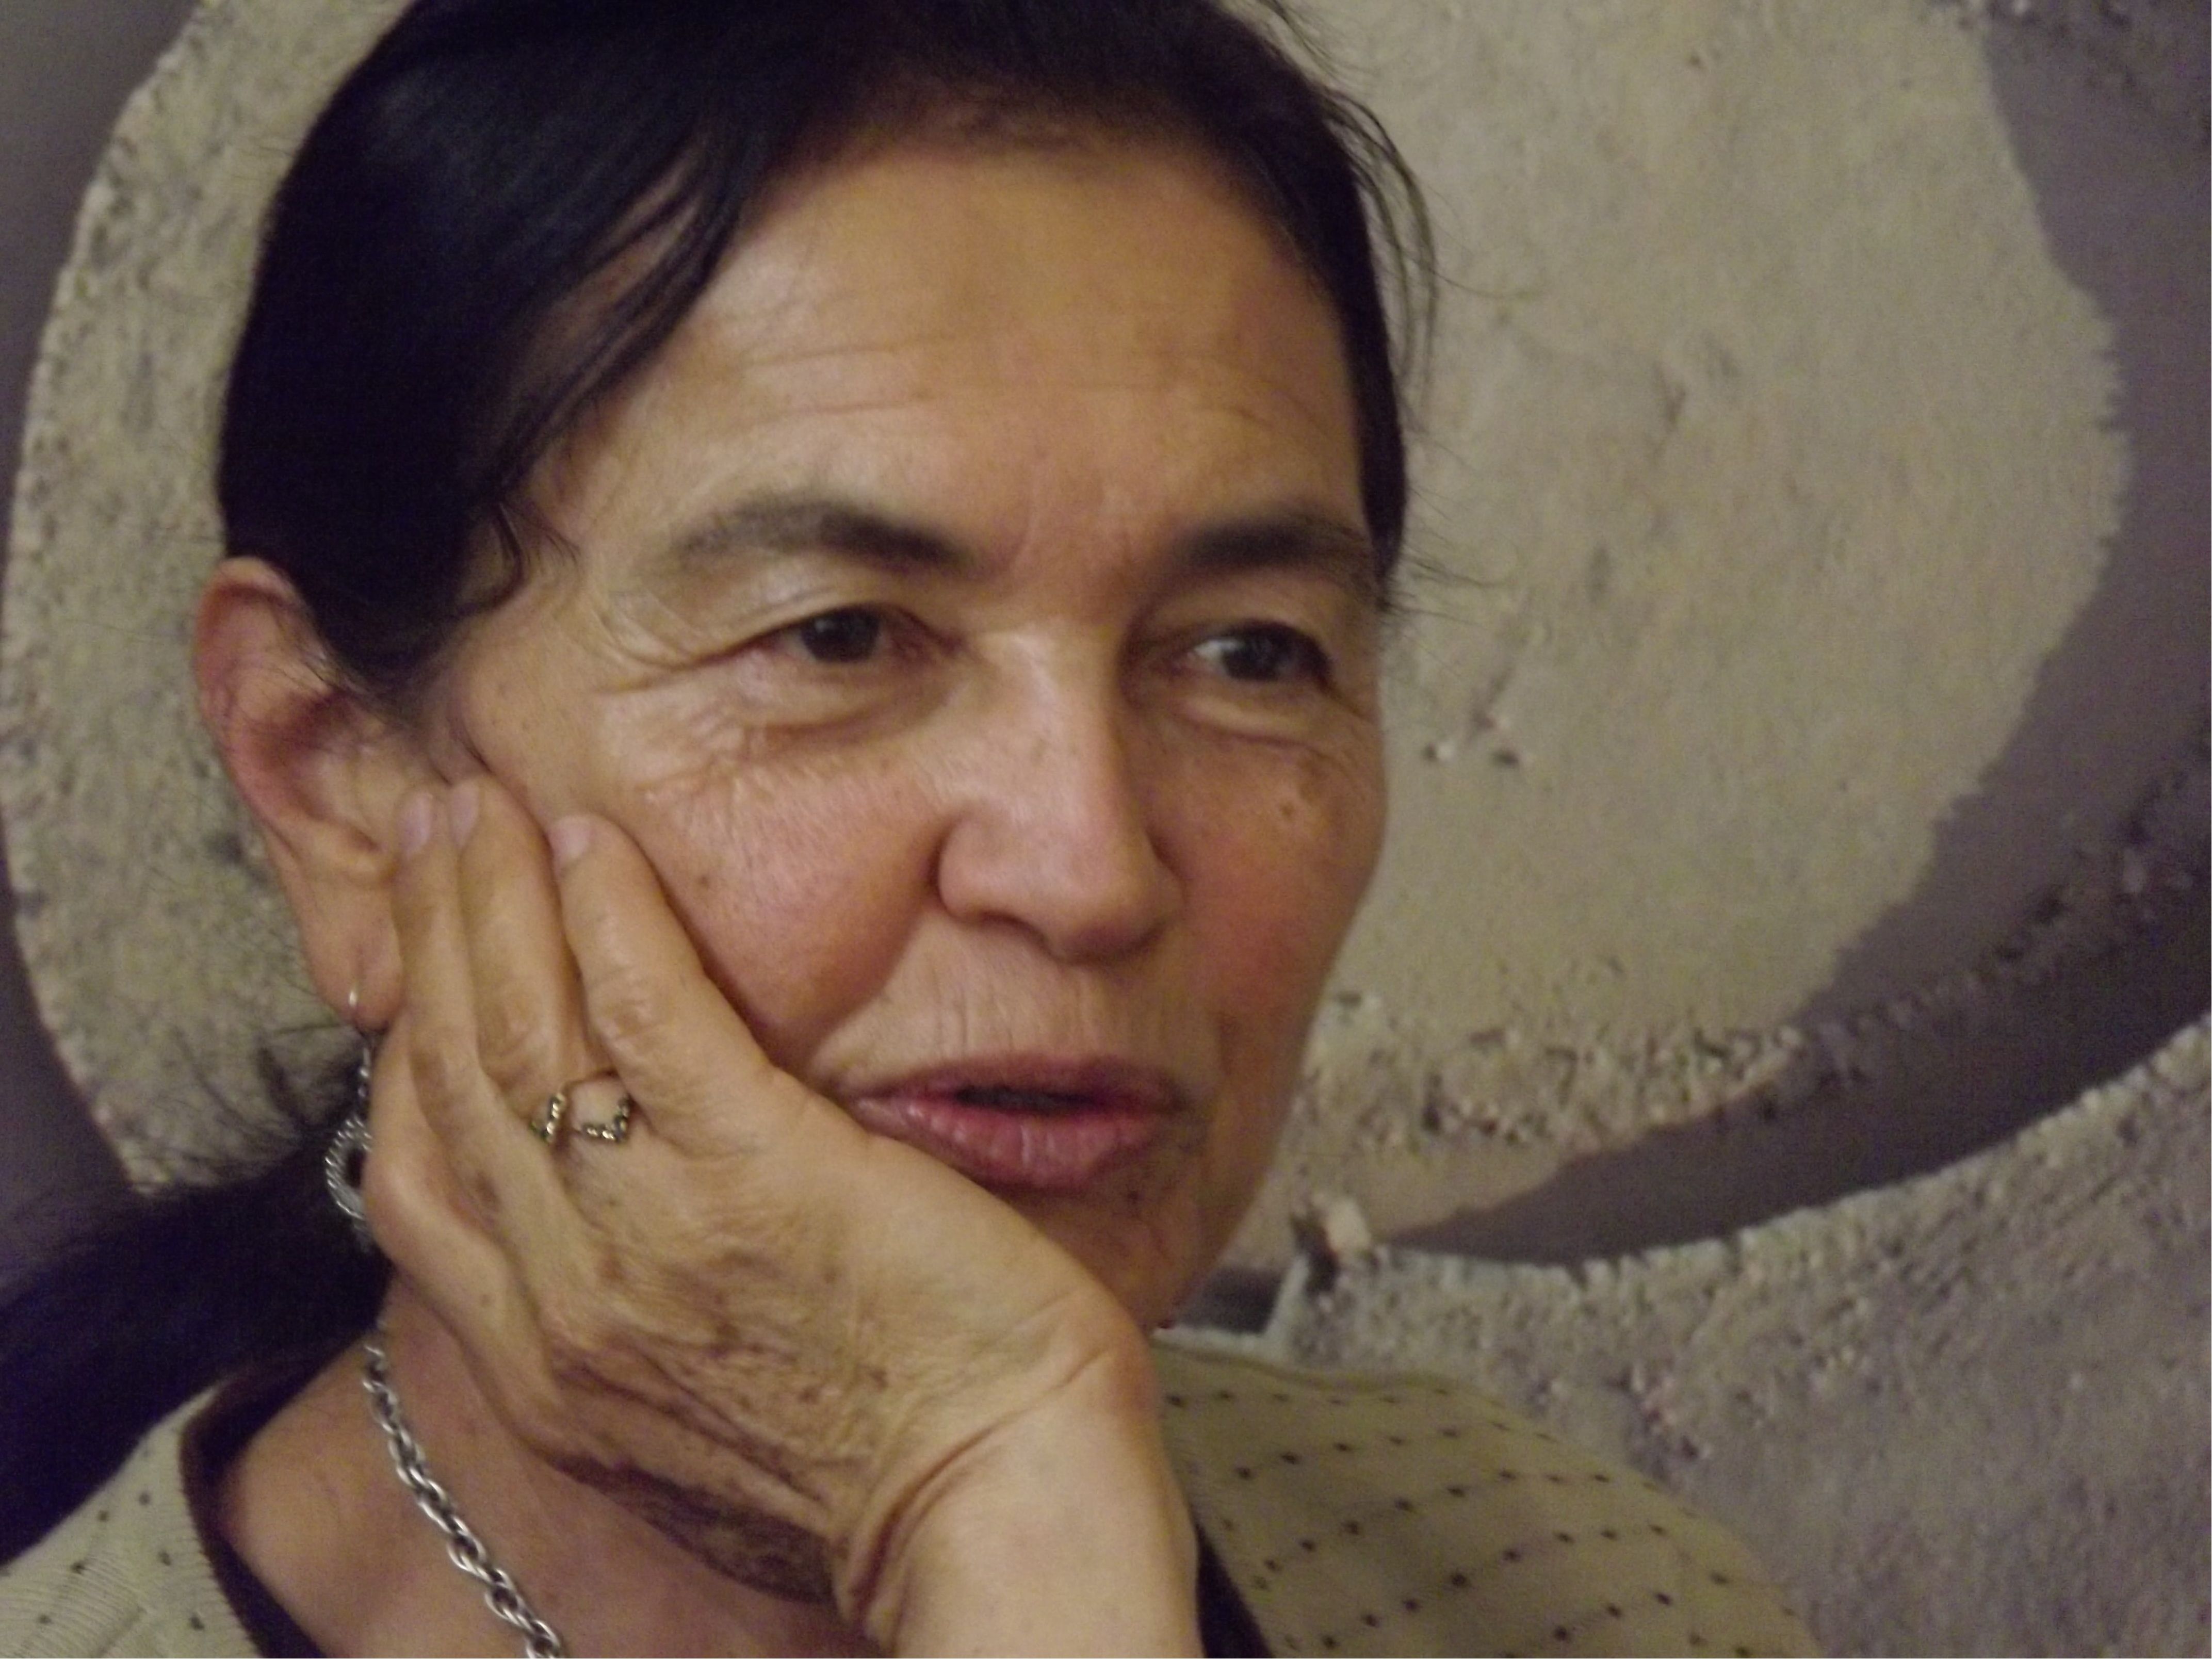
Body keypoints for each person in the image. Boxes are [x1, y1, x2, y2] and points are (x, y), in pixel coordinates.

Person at [0, 1, 1814, 1652]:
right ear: (334, 776)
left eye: (1250, 653)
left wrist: (1015, 1522)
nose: (1089, 870)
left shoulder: (1591, 1599)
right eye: (839, 638)